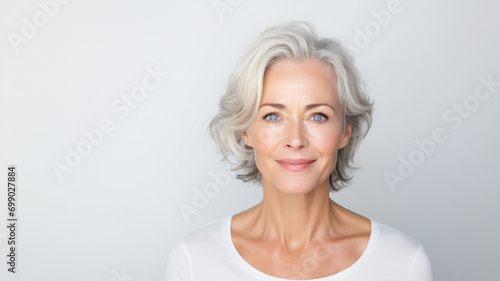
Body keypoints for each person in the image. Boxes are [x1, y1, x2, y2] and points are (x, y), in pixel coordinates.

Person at [165, 20, 434, 280]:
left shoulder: (402, 263)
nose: (295, 140)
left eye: (317, 116)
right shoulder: (194, 261)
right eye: (273, 116)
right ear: (246, 130)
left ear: (345, 131)